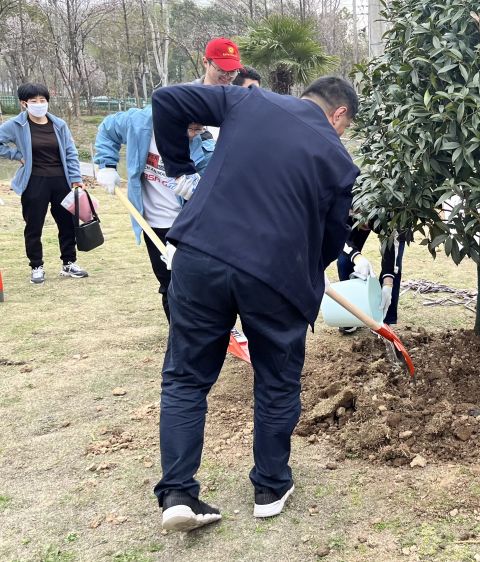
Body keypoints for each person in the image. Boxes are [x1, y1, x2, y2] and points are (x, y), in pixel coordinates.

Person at [149, 76, 359, 531]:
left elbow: (167, 100)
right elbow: (331, 239)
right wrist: (305, 270)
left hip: (202, 255)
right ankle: (270, 486)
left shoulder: (249, 101)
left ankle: (178, 494)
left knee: (186, 378)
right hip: (276, 277)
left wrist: (179, 169)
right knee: (277, 381)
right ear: (339, 113)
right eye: (345, 126)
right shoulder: (340, 162)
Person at [93, 108, 216, 321]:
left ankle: (204, 330)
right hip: (152, 222)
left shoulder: (204, 145)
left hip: (188, 224)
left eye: (199, 129)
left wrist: (198, 186)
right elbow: (107, 129)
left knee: (198, 283)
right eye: (190, 128)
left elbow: (217, 186)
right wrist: (107, 165)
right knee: (168, 283)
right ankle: (178, 335)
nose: (193, 134)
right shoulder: (139, 123)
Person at [0, 83, 87, 283]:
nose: (39, 104)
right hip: (34, 181)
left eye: (43, 100)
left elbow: (70, 153)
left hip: (61, 181)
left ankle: (69, 263)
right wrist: (15, 155)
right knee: (34, 226)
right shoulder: (16, 125)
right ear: (24, 104)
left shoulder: (59, 124)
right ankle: (36, 266)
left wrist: (76, 179)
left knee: (66, 224)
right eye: (34, 101)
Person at [337, 224, 407, 333]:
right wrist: (356, 256)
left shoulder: (395, 213)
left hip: (392, 223)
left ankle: (383, 318)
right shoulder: (343, 208)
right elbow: (336, 232)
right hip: (351, 220)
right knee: (344, 260)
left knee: (394, 266)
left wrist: (388, 283)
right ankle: (351, 313)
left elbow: (395, 243)